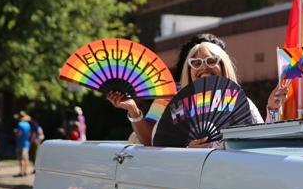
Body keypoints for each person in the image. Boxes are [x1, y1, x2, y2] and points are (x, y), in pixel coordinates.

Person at [107, 35, 287, 147]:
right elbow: (156, 147)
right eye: (196, 63)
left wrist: (272, 109)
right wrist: (188, 153)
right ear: (188, 71)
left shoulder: (241, 102)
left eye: (211, 61)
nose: (204, 67)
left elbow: (262, 143)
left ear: (224, 66)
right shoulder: (174, 105)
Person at [14, 111, 32, 176]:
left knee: (20, 158)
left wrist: (15, 133)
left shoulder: (19, 124)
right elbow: (29, 134)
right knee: (26, 158)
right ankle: (25, 171)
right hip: (26, 143)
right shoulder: (28, 125)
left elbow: (19, 134)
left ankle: (21, 172)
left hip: (20, 143)